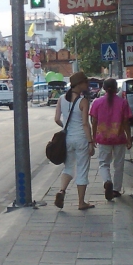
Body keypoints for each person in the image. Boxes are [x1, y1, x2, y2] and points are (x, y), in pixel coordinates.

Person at [53, 71, 94, 210]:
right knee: (82, 170)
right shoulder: (83, 101)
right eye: (86, 82)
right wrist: (90, 142)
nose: (87, 85)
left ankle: (61, 191)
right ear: (80, 84)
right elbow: (85, 124)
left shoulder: (61, 99)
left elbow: (57, 119)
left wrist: (66, 127)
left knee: (68, 167)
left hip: (68, 139)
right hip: (81, 139)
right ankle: (81, 203)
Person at [90, 77, 133, 201]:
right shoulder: (123, 103)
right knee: (119, 164)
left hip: (103, 138)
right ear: (116, 89)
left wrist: (93, 138)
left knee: (104, 163)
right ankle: (116, 189)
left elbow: (94, 122)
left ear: (103, 88)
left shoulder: (97, 103)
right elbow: (126, 122)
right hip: (119, 138)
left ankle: (107, 181)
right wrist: (129, 138)